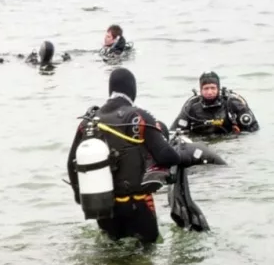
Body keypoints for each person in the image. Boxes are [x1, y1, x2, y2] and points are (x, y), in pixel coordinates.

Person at [66, 67, 195, 245]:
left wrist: (81, 199)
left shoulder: (88, 123)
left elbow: (71, 164)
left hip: (103, 206)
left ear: (111, 89)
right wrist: (185, 155)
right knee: (147, 256)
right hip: (138, 205)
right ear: (132, 90)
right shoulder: (138, 117)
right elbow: (167, 156)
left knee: (111, 255)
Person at [173, 71, 259, 136]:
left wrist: (239, 136)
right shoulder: (191, 106)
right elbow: (174, 132)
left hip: (228, 142)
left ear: (218, 88)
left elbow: (254, 128)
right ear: (200, 89)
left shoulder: (231, 103)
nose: (210, 92)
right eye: (206, 88)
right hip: (202, 145)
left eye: (213, 88)